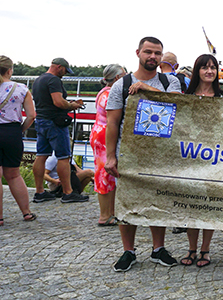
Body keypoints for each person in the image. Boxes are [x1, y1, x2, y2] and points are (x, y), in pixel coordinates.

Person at [106, 37, 182, 272]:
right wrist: (110, 156)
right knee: (127, 202)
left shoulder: (170, 81)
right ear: (138, 52)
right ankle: (128, 251)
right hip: (129, 154)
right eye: (148, 52)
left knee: (157, 200)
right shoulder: (122, 84)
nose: (153, 57)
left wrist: (146, 88)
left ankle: (158, 248)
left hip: (161, 155)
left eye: (157, 53)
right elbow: (112, 122)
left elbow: (179, 104)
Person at [180, 54, 223, 268]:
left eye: (213, 68)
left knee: (209, 206)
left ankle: (205, 249)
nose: (209, 71)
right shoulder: (186, 96)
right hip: (190, 159)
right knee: (192, 206)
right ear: (197, 71)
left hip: (215, 160)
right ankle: (191, 248)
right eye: (205, 68)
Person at [30, 57, 88, 203]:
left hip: (41, 120)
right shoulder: (54, 80)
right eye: (64, 71)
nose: (65, 74)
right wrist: (71, 106)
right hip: (55, 123)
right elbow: (57, 101)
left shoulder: (38, 80)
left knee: (41, 155)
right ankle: (68, 193)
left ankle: (39, 192)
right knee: (63, 156)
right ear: (58, 67)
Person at [0, 55, 38, 224]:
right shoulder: (21, 89)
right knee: (14, 175)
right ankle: (26, 212)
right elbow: (31, 116)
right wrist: (19, 130)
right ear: (9, 70)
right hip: (12, 133)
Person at [90, 64, 126, 226]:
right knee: (104, 174)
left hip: (100, 133)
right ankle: (105, 215)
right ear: (117, 78)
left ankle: (110, 213)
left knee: (108, 173)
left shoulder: (102, 92)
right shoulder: (111, 94)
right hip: (105, 136)